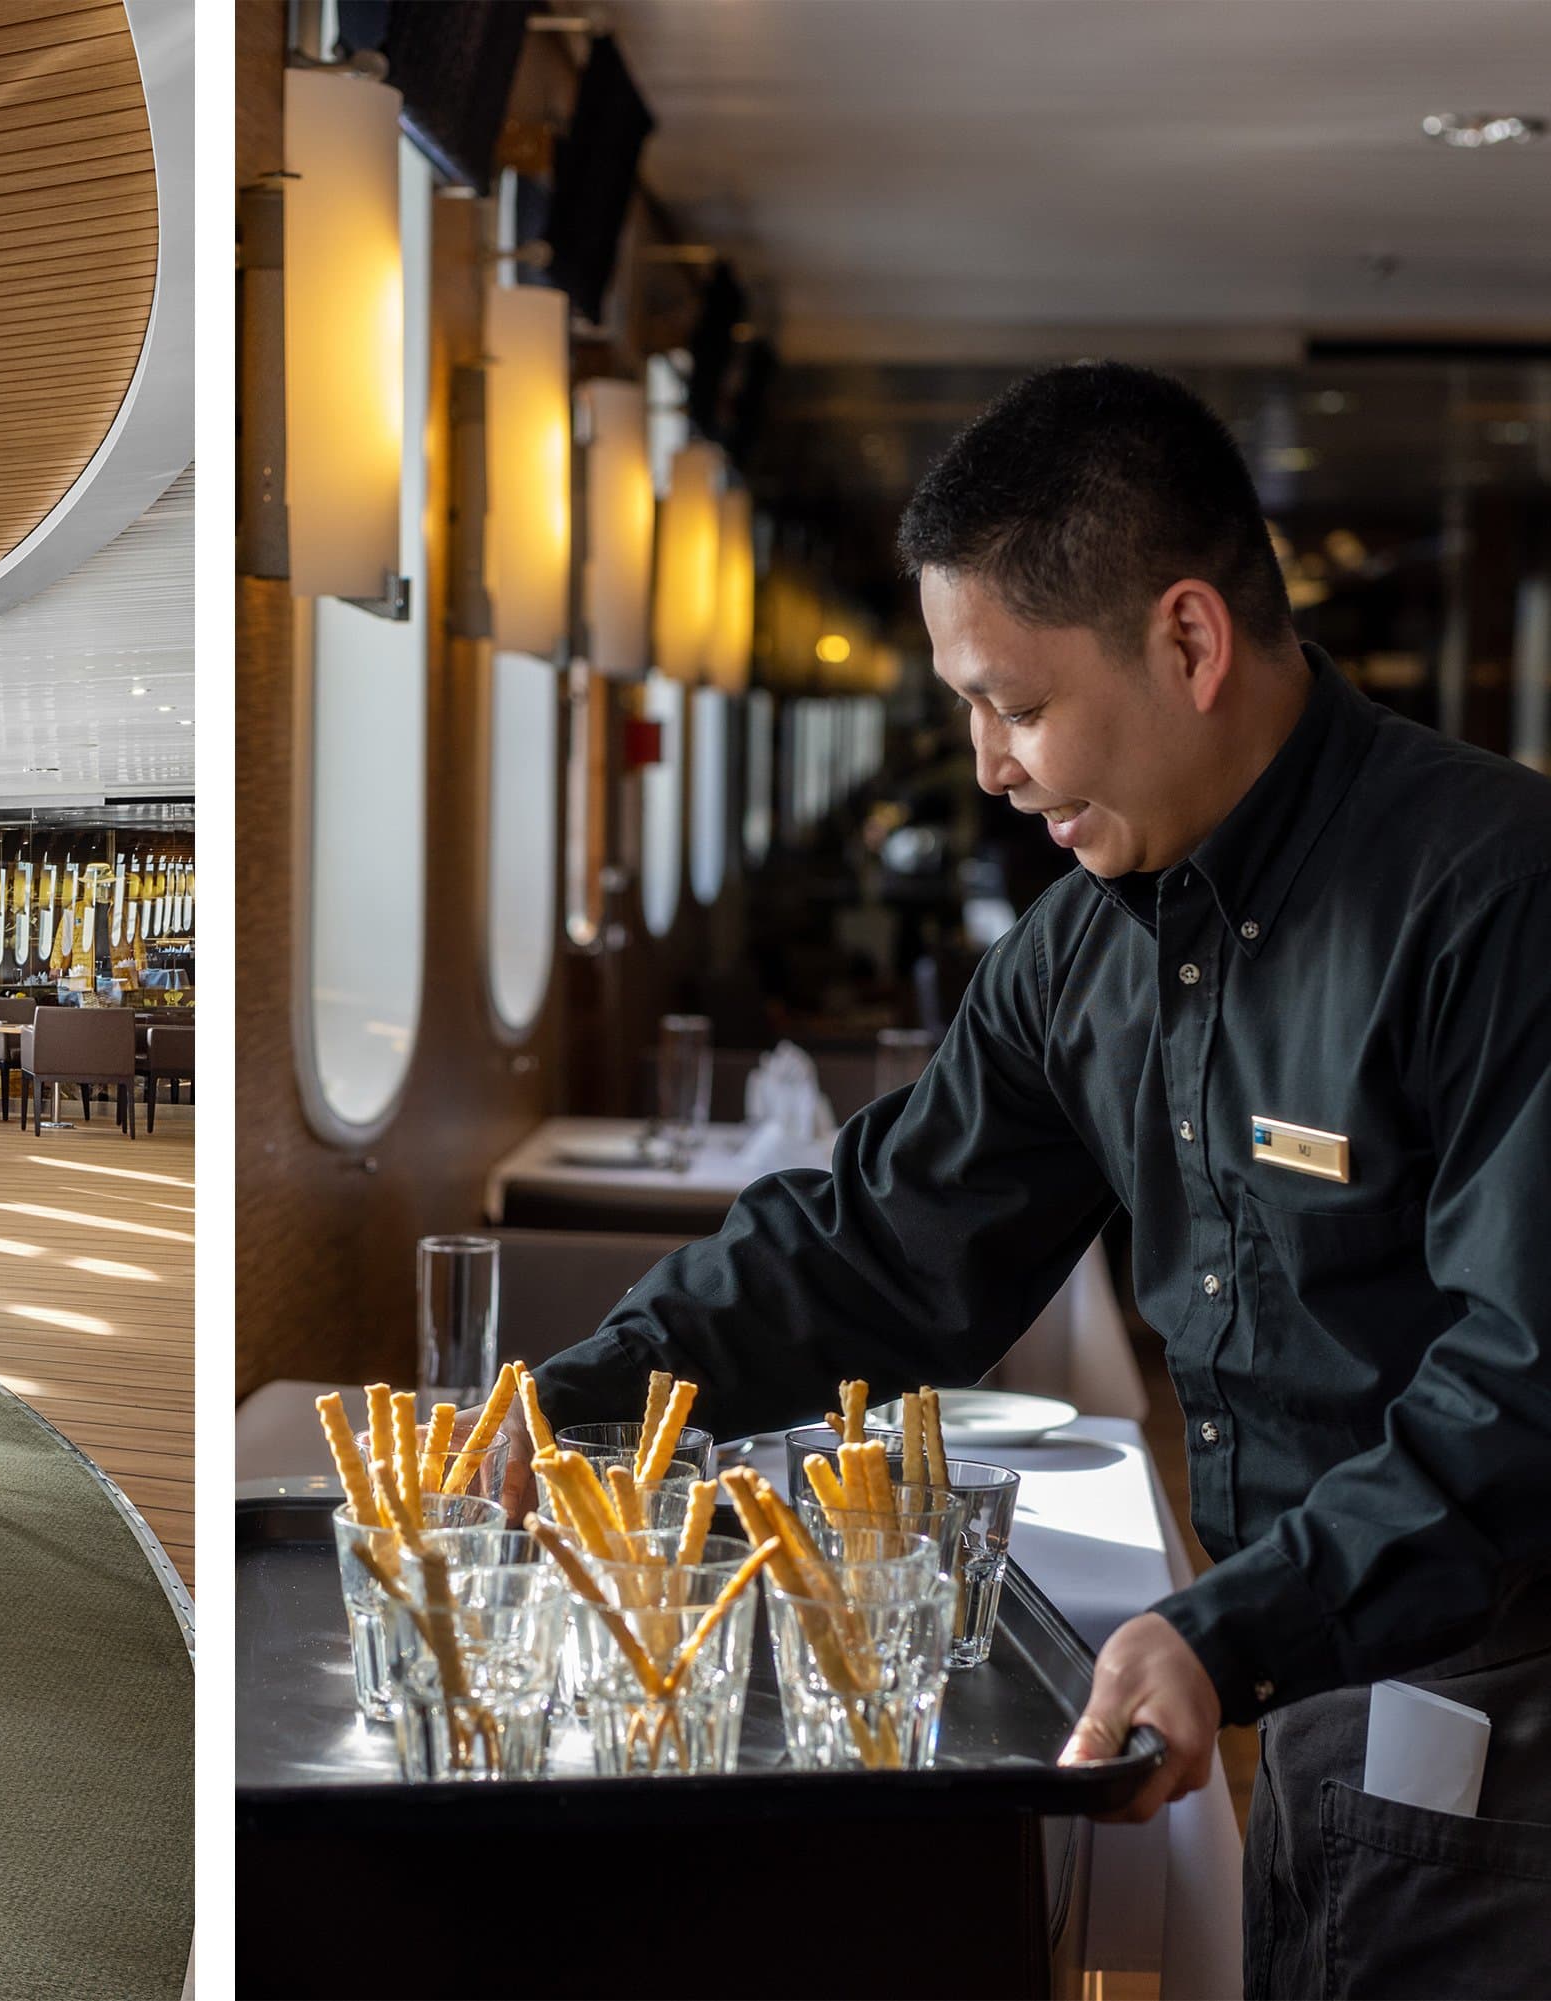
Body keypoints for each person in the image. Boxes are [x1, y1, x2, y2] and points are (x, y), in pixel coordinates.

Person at [535, 361, 1551, 1994]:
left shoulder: (1493, 893)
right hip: (1313, 1693)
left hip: (1509, 1724)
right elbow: (880, 1244)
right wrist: (578, 1399)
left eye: (1014, 702)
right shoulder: (1085, 949)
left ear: (1192, 642)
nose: (991, 767)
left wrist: (1233, 1628)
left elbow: (1524, 1386)